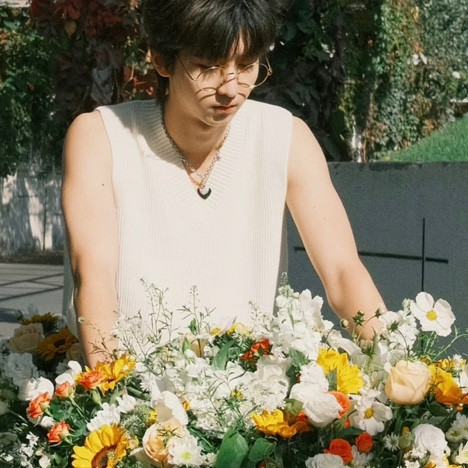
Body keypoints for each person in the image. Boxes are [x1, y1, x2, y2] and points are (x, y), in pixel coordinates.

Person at [62, 0, 384, 366]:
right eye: (207, 67)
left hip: (250, 390)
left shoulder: (286, 138)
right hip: (130, 380)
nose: (231, 88)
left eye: (246, 65)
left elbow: (342, 271)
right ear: (162, 60)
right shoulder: (101, 137)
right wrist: (112, 385)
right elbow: (94, 275)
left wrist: (398, 361)